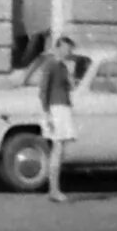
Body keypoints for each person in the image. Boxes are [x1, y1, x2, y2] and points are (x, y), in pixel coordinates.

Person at [38, 33, 80, 203]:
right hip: (56, 109)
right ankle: (54, 190)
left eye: (69, 49)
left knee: (59, 149)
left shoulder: (63, 66)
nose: (68, 52)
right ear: (58, 48)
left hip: (63, 106)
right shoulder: (51, 64)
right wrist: (47, 113)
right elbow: (43, 90)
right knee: (57, 148)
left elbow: (71, 86)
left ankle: (54, 188)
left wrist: (70, 74)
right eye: (66, 48)